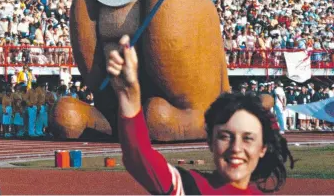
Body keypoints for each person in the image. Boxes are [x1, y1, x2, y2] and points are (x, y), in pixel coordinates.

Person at [107, 35, 294, 194]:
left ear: (262, 148)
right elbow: (138, 157)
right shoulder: (191, 188)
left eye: (248, 138)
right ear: (211, 142)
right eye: (225, 136)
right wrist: (129, 95)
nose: (236, 147)